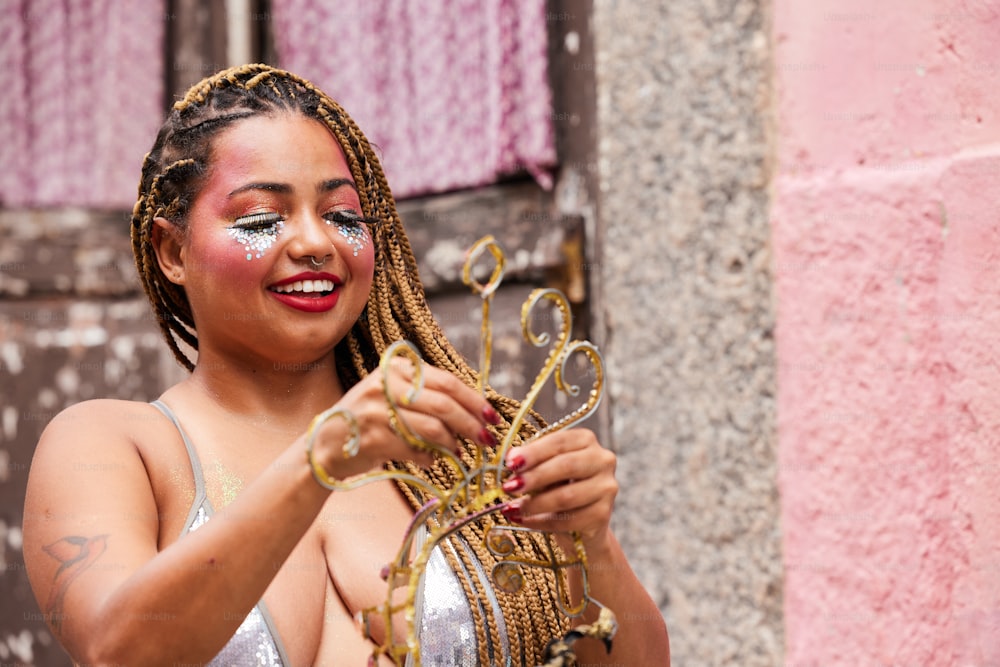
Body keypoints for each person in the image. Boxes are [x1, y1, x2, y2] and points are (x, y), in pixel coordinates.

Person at [23, 64, 670, 666]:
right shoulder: (112, 445)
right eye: (259, 219)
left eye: (342, 215)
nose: (315, 242)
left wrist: (591, 542)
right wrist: (320, 458)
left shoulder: (463, 456)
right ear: (171, 249)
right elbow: (118, 648)